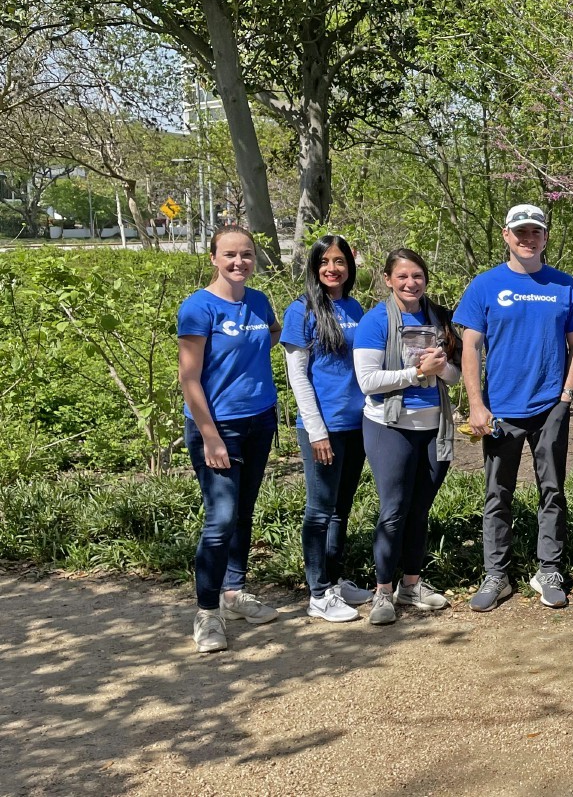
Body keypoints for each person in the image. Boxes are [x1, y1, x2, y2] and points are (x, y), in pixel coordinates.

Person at [458, 204, 573, 610]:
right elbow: (469, 345)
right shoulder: (484, 285)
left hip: (550, 406)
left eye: (535, 232)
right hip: (500, 411)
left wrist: (566, 397)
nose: (527, 238)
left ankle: (548, 569)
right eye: (520, 231)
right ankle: (497, 575)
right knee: (497, 494)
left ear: (545, 238)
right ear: (506, 235)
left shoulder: (565, 285)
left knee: (552, 491)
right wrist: (476, 405)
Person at [179, 225, 282, 653]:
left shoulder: (258, 302)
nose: (238, 262)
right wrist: (211, 436)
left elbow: (271, 334)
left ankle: (234, 593)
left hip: (260, 420)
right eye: (229, 255)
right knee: (219, 518)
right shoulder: (198, 308)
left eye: (246, 255)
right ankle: (207, 614)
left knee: (242, 511)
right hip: (217, 428)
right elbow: (189, 379)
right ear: (213, 258)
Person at [353, 248, 461, 626]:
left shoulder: (438, 317)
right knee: (394, 510)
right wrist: (415, 374)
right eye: (402, 277)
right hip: (389, 426)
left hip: (435, 427)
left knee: (420, 510)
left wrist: (440, 366)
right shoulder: (375, 321)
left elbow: (455, 376)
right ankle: (382, 591)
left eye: (417, 276)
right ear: (387, 279)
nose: (410, 283)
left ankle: (411, 586)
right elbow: (367, 382)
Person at [282, 234, 371, 623]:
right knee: (319, 511)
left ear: (349, 267)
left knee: (341, 510)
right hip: (323, 426)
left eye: (340, 262)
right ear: (314, 267)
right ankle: (317, 592)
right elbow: (298, 377)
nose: (332, 269)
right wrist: (316, 431)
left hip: (358, 424)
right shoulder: (300, 311)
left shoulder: (356, 307)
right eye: (325, 262)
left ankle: (335, 580)